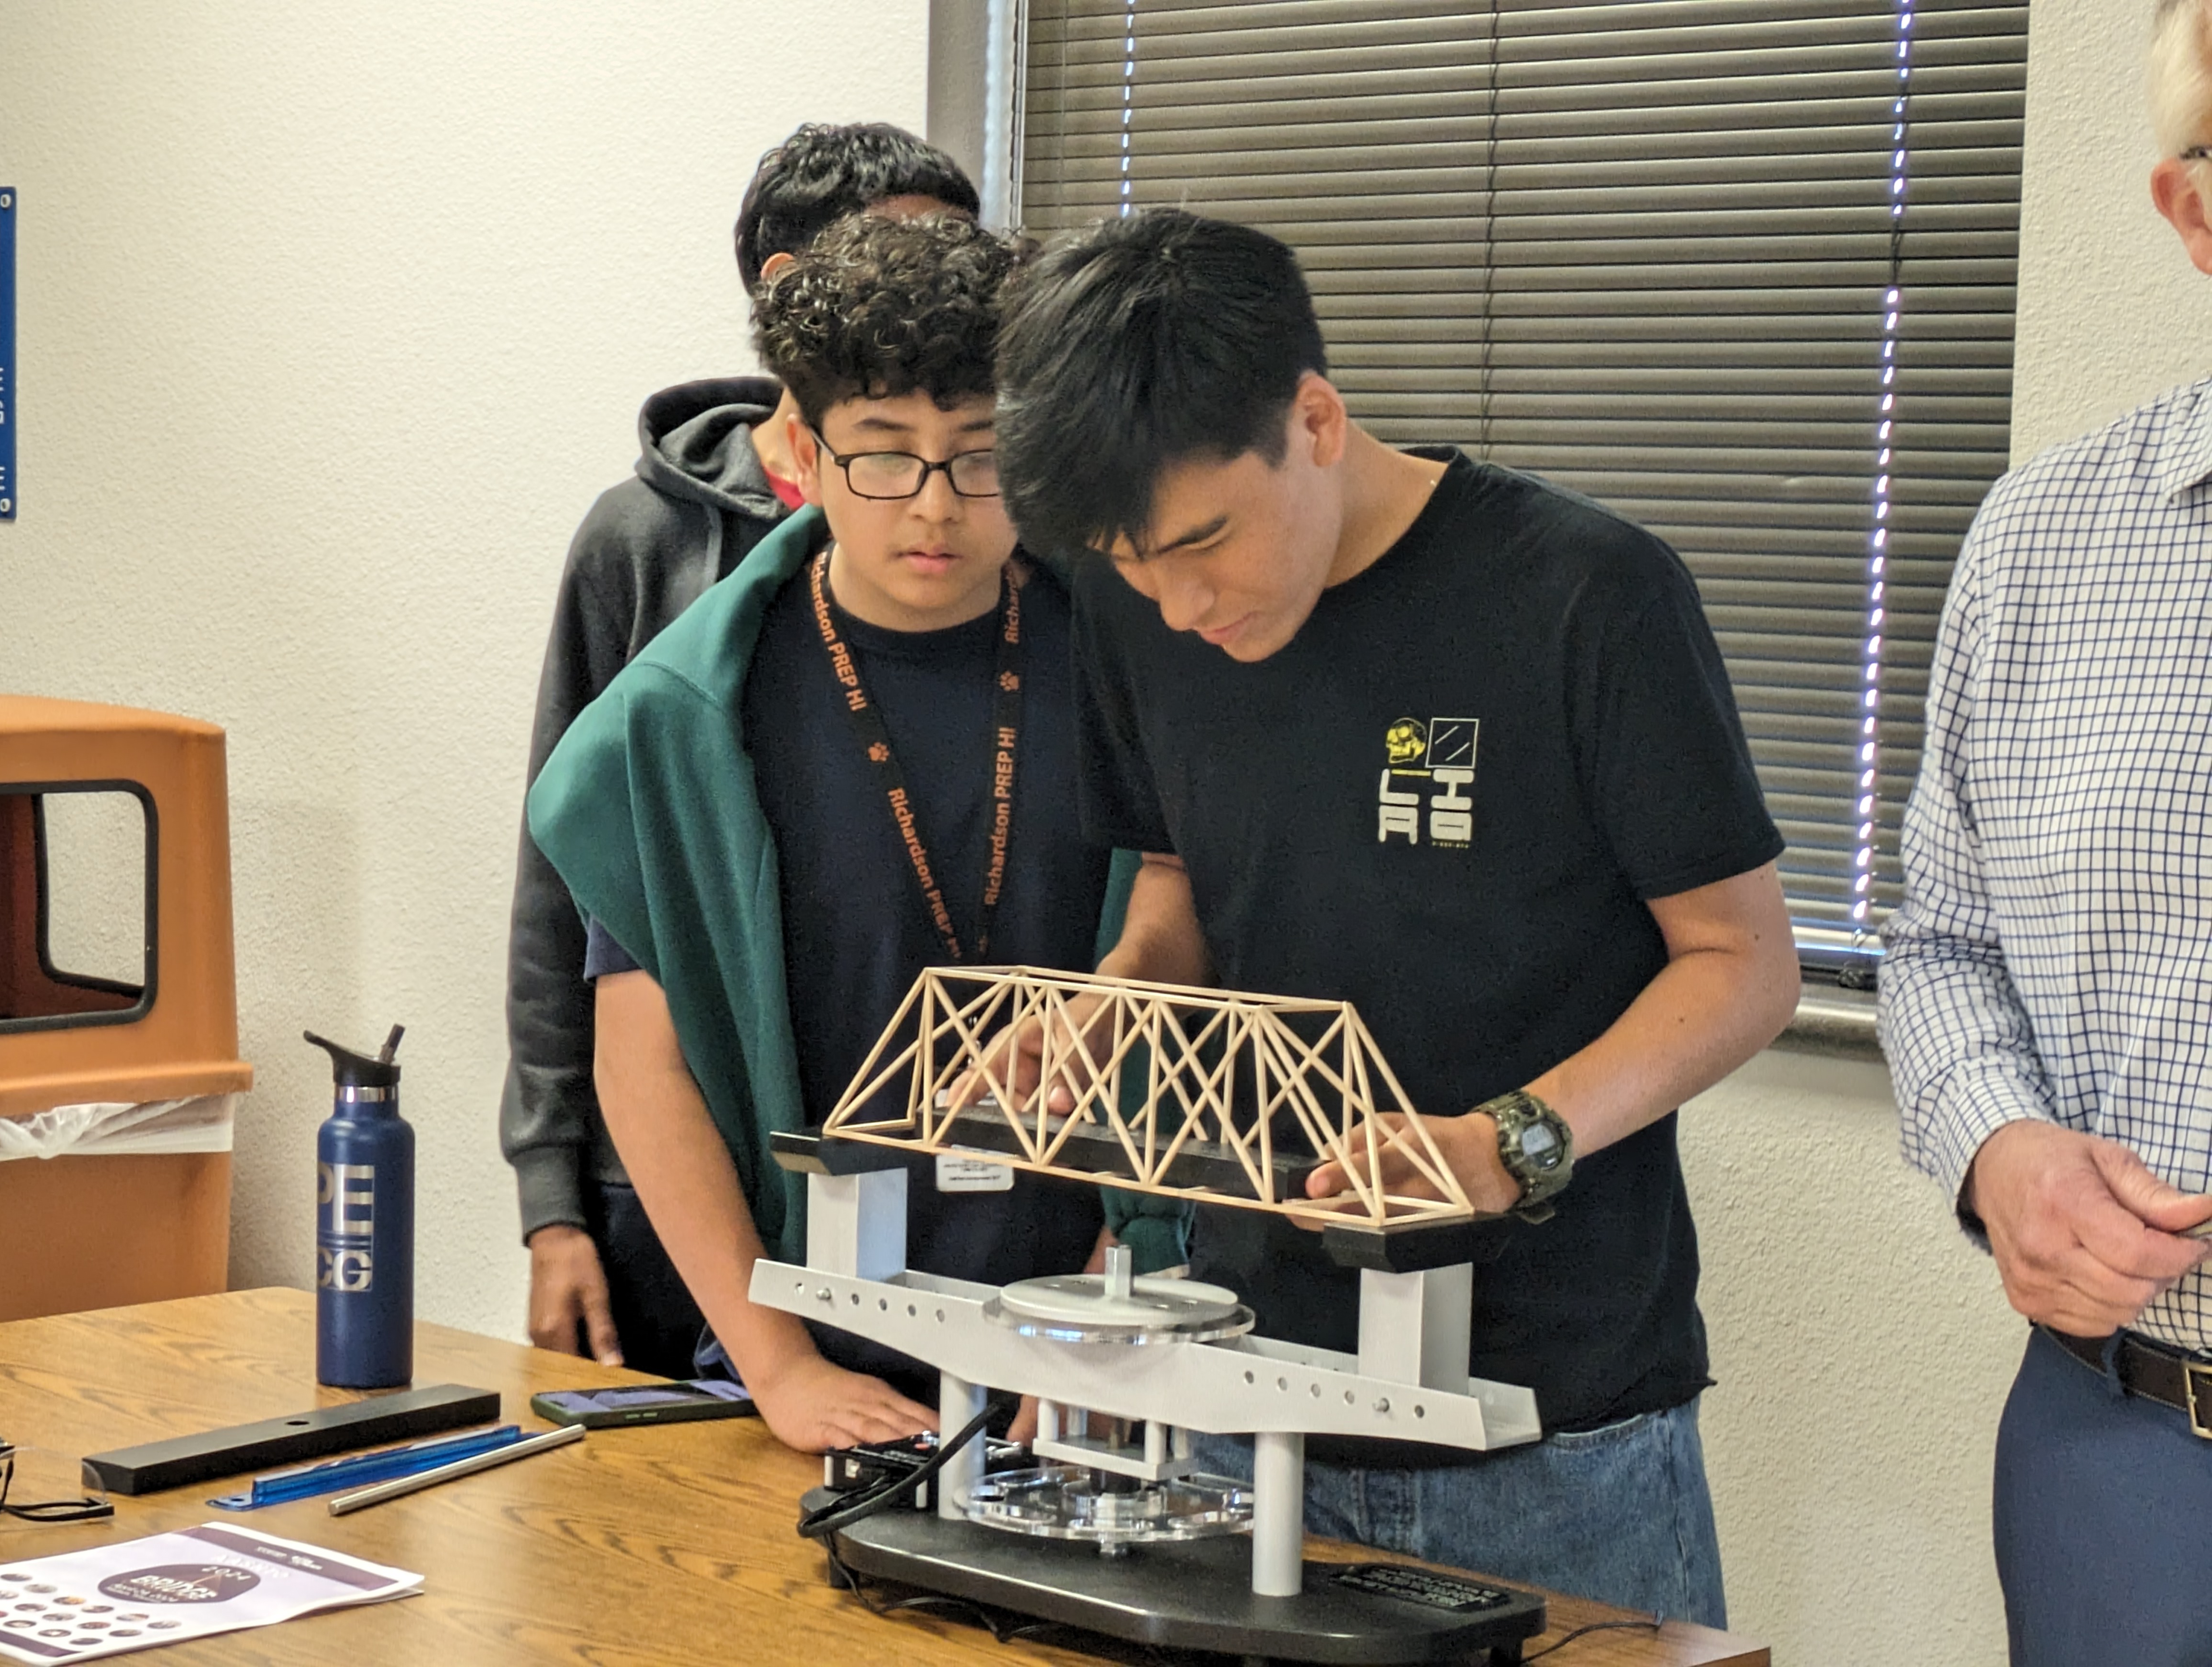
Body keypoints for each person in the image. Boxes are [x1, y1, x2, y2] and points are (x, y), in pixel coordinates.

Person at [985, 208, 1798, 1623]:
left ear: (1314, 418)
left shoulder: (1588, 596)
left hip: (1550, 1420)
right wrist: (1113, 991)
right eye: (1132, 567)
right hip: (1241, 1379)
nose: (1179, 608)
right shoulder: (1136, 611)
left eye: (1204, 544)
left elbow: (1742, 965)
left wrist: (1510, 1142)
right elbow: (1183, 879)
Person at [526, 212, 1116, 1452]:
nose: (936, 508)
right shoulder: (691, 721)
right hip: (802, 1362)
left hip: (1094, 1368)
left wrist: (1112, 1330)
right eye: (885, 458)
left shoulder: (1132, 667)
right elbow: (642, 1067)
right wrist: (781, 1368)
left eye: (981, 455)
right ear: (799, 445)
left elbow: (1198, 1005)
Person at [500, 123, 978, 1378]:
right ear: (788, 296)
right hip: (657, 1152)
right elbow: (571, 875)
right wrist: (551, 1196)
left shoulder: (993, 562)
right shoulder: (647, 544)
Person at [1878, 6, 2212, 1660]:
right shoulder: (2045, 538)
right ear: (2194, 213)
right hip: (2120, 1443)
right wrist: (2002, 1149)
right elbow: (1941, 940)